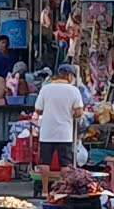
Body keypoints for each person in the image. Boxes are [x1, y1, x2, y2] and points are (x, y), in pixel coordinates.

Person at [34, 64, 85, 196]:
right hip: (64, 133)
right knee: (65, 164)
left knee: (45, 162)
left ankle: (45, 191)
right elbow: (79, 112)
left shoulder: (46, 89)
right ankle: (62, 190)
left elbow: (38, 110)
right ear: (69, 76)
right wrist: (69, 115)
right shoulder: (74, 90)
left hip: (47, 132)